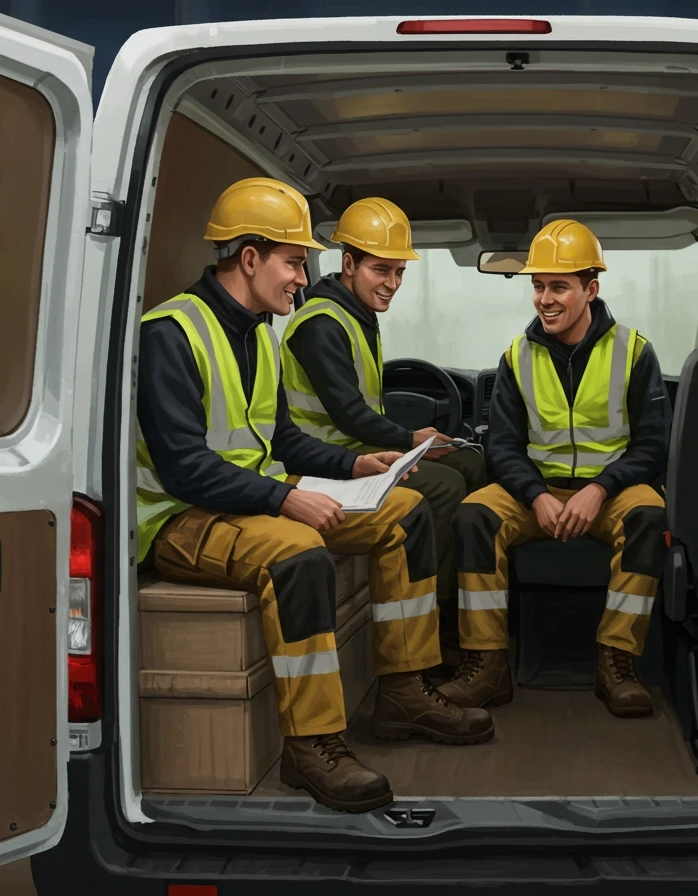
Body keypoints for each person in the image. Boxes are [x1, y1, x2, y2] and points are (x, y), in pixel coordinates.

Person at [135, 177, 493, 815]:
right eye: (295, 263)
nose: (303, 279)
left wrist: (357, 464)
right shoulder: (171, 332)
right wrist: (284, 499)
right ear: (250, 258)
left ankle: (403, 691)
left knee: (406, 512)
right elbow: (185, 469)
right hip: (182, 516)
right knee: (299, 554)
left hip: (253, 494)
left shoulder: (260, 333)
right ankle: (312, 745)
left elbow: (281, 440)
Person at [437, 219, 670, 718]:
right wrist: (536, 495)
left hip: (611, 491)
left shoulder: (634, 352)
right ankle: (487, 664)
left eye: (558, 287)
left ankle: (617, 662)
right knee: (473, 515)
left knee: (649, 516)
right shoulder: (516, 357)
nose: (545, 299)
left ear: (591, 290)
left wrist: (600, 489)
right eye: (538, 286)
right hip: (536, 491)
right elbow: (503, 447)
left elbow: (653, 446)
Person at [279, 196, 489, 651]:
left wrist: (414, 445)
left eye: (399, 272)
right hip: (320, 466)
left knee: (471, 465)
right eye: (381, 270)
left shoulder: (357, 314)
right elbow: (350, 414)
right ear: (349, 264)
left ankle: (471, 608)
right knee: (445, 486)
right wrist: (412, 439)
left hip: (354, 452)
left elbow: (363, 412)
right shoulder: (321, 323)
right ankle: (439, 618)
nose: (392, 283)